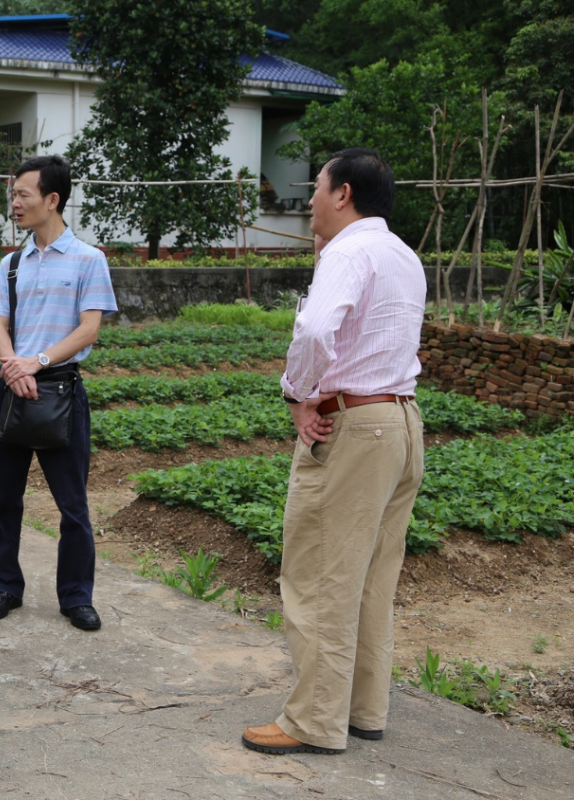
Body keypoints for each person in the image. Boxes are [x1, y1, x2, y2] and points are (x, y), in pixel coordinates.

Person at [242, 148, 426, 755]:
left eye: (316, 188)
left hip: (352, 425)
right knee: (372, 575)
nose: (311, 200)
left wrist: (297, 393)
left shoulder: (347, 252)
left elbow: (318, 330)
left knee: (321, 574)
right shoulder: (402, 253)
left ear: (343, 194)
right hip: (401, 422)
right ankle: (363, 709)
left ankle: (314, 722)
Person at [0, 155, 117, 631]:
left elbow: (89, 330)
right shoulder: (11, 263)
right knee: (1, 497)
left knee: (71, 504)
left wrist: (36, 362)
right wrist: (11, 366)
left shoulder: (88, 259)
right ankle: (4, 587)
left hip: (60, 391)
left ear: (52, 199)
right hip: (12, 389)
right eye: (13, 195)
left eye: (23, 195)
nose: (14, 203)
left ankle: (76, 597)